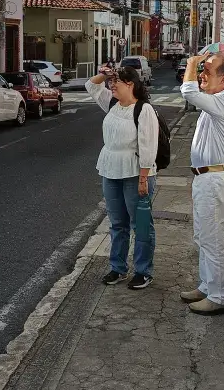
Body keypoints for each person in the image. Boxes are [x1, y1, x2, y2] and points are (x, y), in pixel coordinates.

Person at [179, 52, 224, 315]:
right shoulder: (217, 101)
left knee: (214, 238)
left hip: (215, 178)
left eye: (207, 70)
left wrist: (192, 64)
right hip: (208, 177)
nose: (201, 75)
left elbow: (188, 92)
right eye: (201, 69)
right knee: (203, 236)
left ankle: (220, 296)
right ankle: (208, 286)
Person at [85, 66, 159, 290]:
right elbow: (91, 85)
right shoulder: (111, 104)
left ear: (131, 84)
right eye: (112, 82)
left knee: (141, 225)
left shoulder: (143, 110)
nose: (112, 85)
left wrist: (144, 178)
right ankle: (118, 268)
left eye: (117, 82)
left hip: (136, 173)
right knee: (118, 224)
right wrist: (106, 74)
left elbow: (149, 146)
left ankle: (143, 271)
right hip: (111, 170)